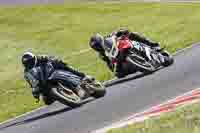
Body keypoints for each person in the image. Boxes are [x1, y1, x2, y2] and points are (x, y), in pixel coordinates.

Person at [89, 28, 161, 77]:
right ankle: (136, 65)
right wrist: (113, 66)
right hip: (119, 60)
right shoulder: (102, 55)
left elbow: (122, 31)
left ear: (101, 40)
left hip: (123, 48)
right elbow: (110, 66)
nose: (98, 47)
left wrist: (120, 32)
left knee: (132, 34)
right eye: (96, 47)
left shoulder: (109, 38)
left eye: (98, 45)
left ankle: (151, 44)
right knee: (119, 75)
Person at [22, 52, 92, 100]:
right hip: (44, 81)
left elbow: (50, 58)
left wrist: (54, 60)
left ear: (34, 58)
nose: (29, 64)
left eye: (30, 61)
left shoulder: (40, 57)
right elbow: (32, 83)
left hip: (52, 70)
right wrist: (35, 92)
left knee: (64, 65)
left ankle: (82, 76)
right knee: (47, 100)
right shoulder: (27, 73)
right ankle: (64, 95)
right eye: (27, 63)